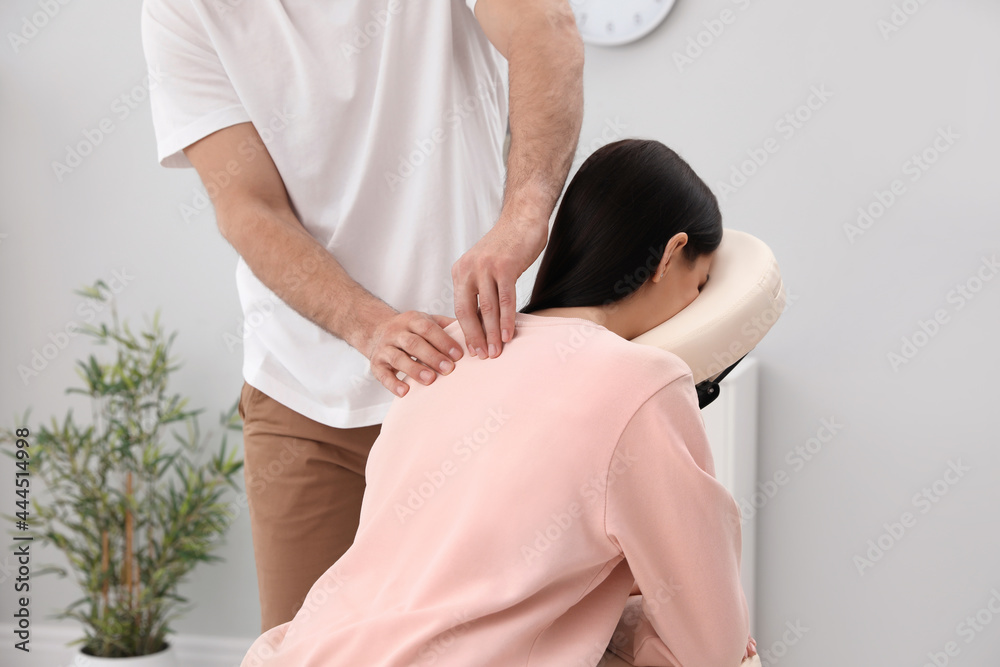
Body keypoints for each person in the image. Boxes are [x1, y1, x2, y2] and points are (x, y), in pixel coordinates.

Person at [140, 0, 584, 632]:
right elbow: (248, 205)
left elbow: (546, 28)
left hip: (475, 372)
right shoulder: (180, 10)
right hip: (304, 397)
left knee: (485, 645)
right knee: (305, 648)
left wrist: (525, 214)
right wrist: (365, 323)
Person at [239, 138, 758, 667]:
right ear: (669, 256)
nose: (693, 305)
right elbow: (709, 647)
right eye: (698, 284)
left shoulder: (447, 353)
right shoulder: (642, 380)